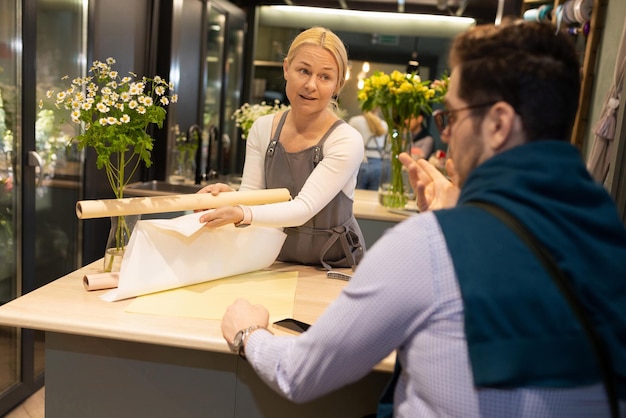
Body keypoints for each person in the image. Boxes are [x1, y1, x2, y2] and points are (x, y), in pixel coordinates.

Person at [220, 21, 626, 417]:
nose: (445, 135)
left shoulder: (431, 244)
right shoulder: (606, 231)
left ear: (498, 124)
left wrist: (248, 332)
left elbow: (300, 374)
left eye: (451, 116)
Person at [197, 27, 365, 270]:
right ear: (286, 68)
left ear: (338, 84)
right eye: (303, 71)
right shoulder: (263, 128)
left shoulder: (346, 140)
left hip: (333, 266)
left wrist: (240, 211)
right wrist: (229, 197)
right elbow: (252, 196)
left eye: (325, 77)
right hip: (274, 260)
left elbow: (303, 208)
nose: (310, 85)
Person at [348, 109, 388, 190]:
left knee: (357, 197)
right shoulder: (384, 124)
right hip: (378, 165)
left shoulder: (355, 121)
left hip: (360, 162)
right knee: (373, 198)